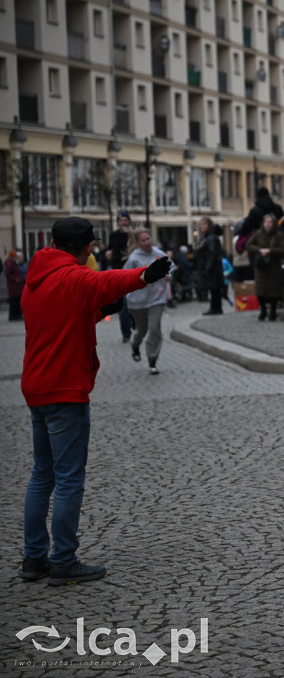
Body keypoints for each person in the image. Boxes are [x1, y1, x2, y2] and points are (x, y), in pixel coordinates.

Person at [19, 217, 170, 585]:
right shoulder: (74, 277)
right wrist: (144, 276)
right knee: (69, 479)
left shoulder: (35, 278)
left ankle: (34, 558)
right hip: (65, 389)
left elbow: (62, 316)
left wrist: (100, 311)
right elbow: (103, 281)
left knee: (42, 475)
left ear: (53, 242)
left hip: (36, 387)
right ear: (87, 248)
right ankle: (64, 560)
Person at [124, 230, 173, 375]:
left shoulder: (159, 254)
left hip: (156, 298)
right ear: (138, 243)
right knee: (142, 330)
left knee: (154, 328)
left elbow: (171, 267)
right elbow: (125, 276)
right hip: (137, 300)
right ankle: (135, 344)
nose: (147, 242)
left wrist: (167, 276)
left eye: (148, 238)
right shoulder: (134, 258)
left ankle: (152, 360)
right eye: (143, 240)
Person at [245, 213, 284, 321]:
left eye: (269, 222)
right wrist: (259, 250)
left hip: (274, 267)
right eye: (265, 222)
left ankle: (273, 311)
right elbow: (248, 245)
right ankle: (263, 310)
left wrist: (270, 250)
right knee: (260, 290)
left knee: (274, 291)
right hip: (261, 266)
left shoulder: (278, 235)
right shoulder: (258, 234)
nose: (267, 224)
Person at [105, 212, 135, 342]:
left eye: (125, 220)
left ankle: (134, 323)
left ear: (129, 221)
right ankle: (126, 333)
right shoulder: (114, 235)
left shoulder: (133, 235)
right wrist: (108, 253)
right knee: (122, 304)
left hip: (132, 271)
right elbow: (109, 249)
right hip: (118, 271)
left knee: (134, 302)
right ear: (118, 222)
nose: (123, 222)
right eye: (121, 220)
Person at [195, 216, 225, 315]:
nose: (202, 226)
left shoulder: (211, 238)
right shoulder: (208, 237)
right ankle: (215, 308)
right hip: (212, 267)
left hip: (213, 268)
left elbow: (212, 253)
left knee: (214, 289)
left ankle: (215, 308)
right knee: (214, 289)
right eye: (201, 224)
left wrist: (208, 267)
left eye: (204, 224)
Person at [5, 250, 25, 320]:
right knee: (14, 301)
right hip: (13, 286)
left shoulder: (13, 262)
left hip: (16, 286)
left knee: (17, 300)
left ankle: (17, 315)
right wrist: (16, 279)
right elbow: (8, 274)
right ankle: (13, 316)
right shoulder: (10, 263)